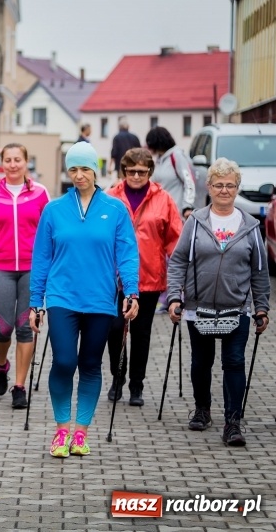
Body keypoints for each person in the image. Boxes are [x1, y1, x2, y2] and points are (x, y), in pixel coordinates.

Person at [29, 141, 139, 458]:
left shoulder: (115, 209)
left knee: (90, 364)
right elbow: (41, 259)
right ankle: (61, 429)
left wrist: (131, 290)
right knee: (64, 361)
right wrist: (36, 301)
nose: (78, 175)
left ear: (95, 170)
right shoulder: (54, 210)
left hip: (101, 300)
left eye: (84, 169)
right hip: (62, 297)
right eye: (73, 169)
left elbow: (128, 255)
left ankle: (81, 432)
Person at [167, 157, 270, 447]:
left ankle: (232, 423)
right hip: (198, 309)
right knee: (201, 363)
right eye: (218, 185)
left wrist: (261, 307)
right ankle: (202, 410)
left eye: (230, 185)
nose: (224, 190)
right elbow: (177, 263)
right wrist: (175, 297)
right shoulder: (196, 222)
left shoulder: (250, 227)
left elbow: (259, 272)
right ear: (209, 187)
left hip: (237, 309)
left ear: (237, 188)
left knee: (234, 362)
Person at [105, 148, 182, 405]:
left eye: (142, 171)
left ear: (150, 171)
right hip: (114, 280)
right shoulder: (110, 196)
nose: (137, 175)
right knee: (115, 329)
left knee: (141, 333)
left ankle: (137, 385)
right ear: (124, 171)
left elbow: (176, 239)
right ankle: (118, 378)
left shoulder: (164, 199)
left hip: (148, 277)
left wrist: (183, 275)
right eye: (131, 170)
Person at [0, 143, 50, 409]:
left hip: (32, 269)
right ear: (2, 163)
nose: (13, 164)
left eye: (17, 159)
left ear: (26, 161)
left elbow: (48, 236)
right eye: (7, 160)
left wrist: (49, 271)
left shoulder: (41, 193)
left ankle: (19, 386)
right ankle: (1, 365)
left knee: (24, 327)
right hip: (2, 268)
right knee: (3, 328)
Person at [147, 126, 196, 219]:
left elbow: (189, 181)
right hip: (161, 214)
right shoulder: (159, 160)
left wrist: (187, 206)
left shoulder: (177, 156)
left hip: (177, 214)